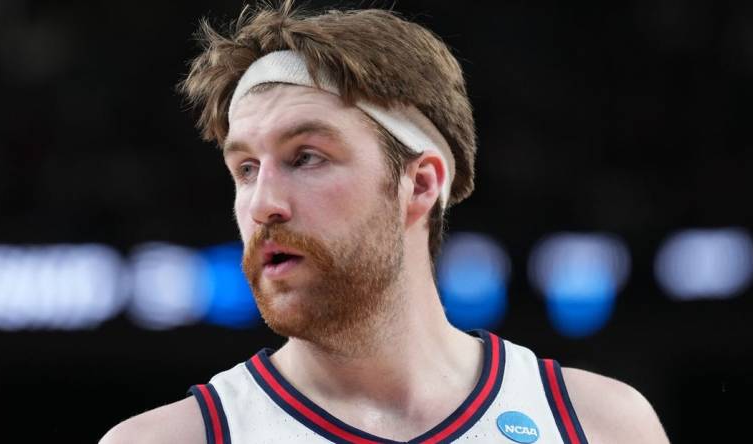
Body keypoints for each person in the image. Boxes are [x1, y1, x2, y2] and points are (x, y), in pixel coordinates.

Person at [101, 1, 670, 443]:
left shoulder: (599, 426)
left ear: (421, 183)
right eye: (246, 168)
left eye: (306, 157)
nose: (261, 204)